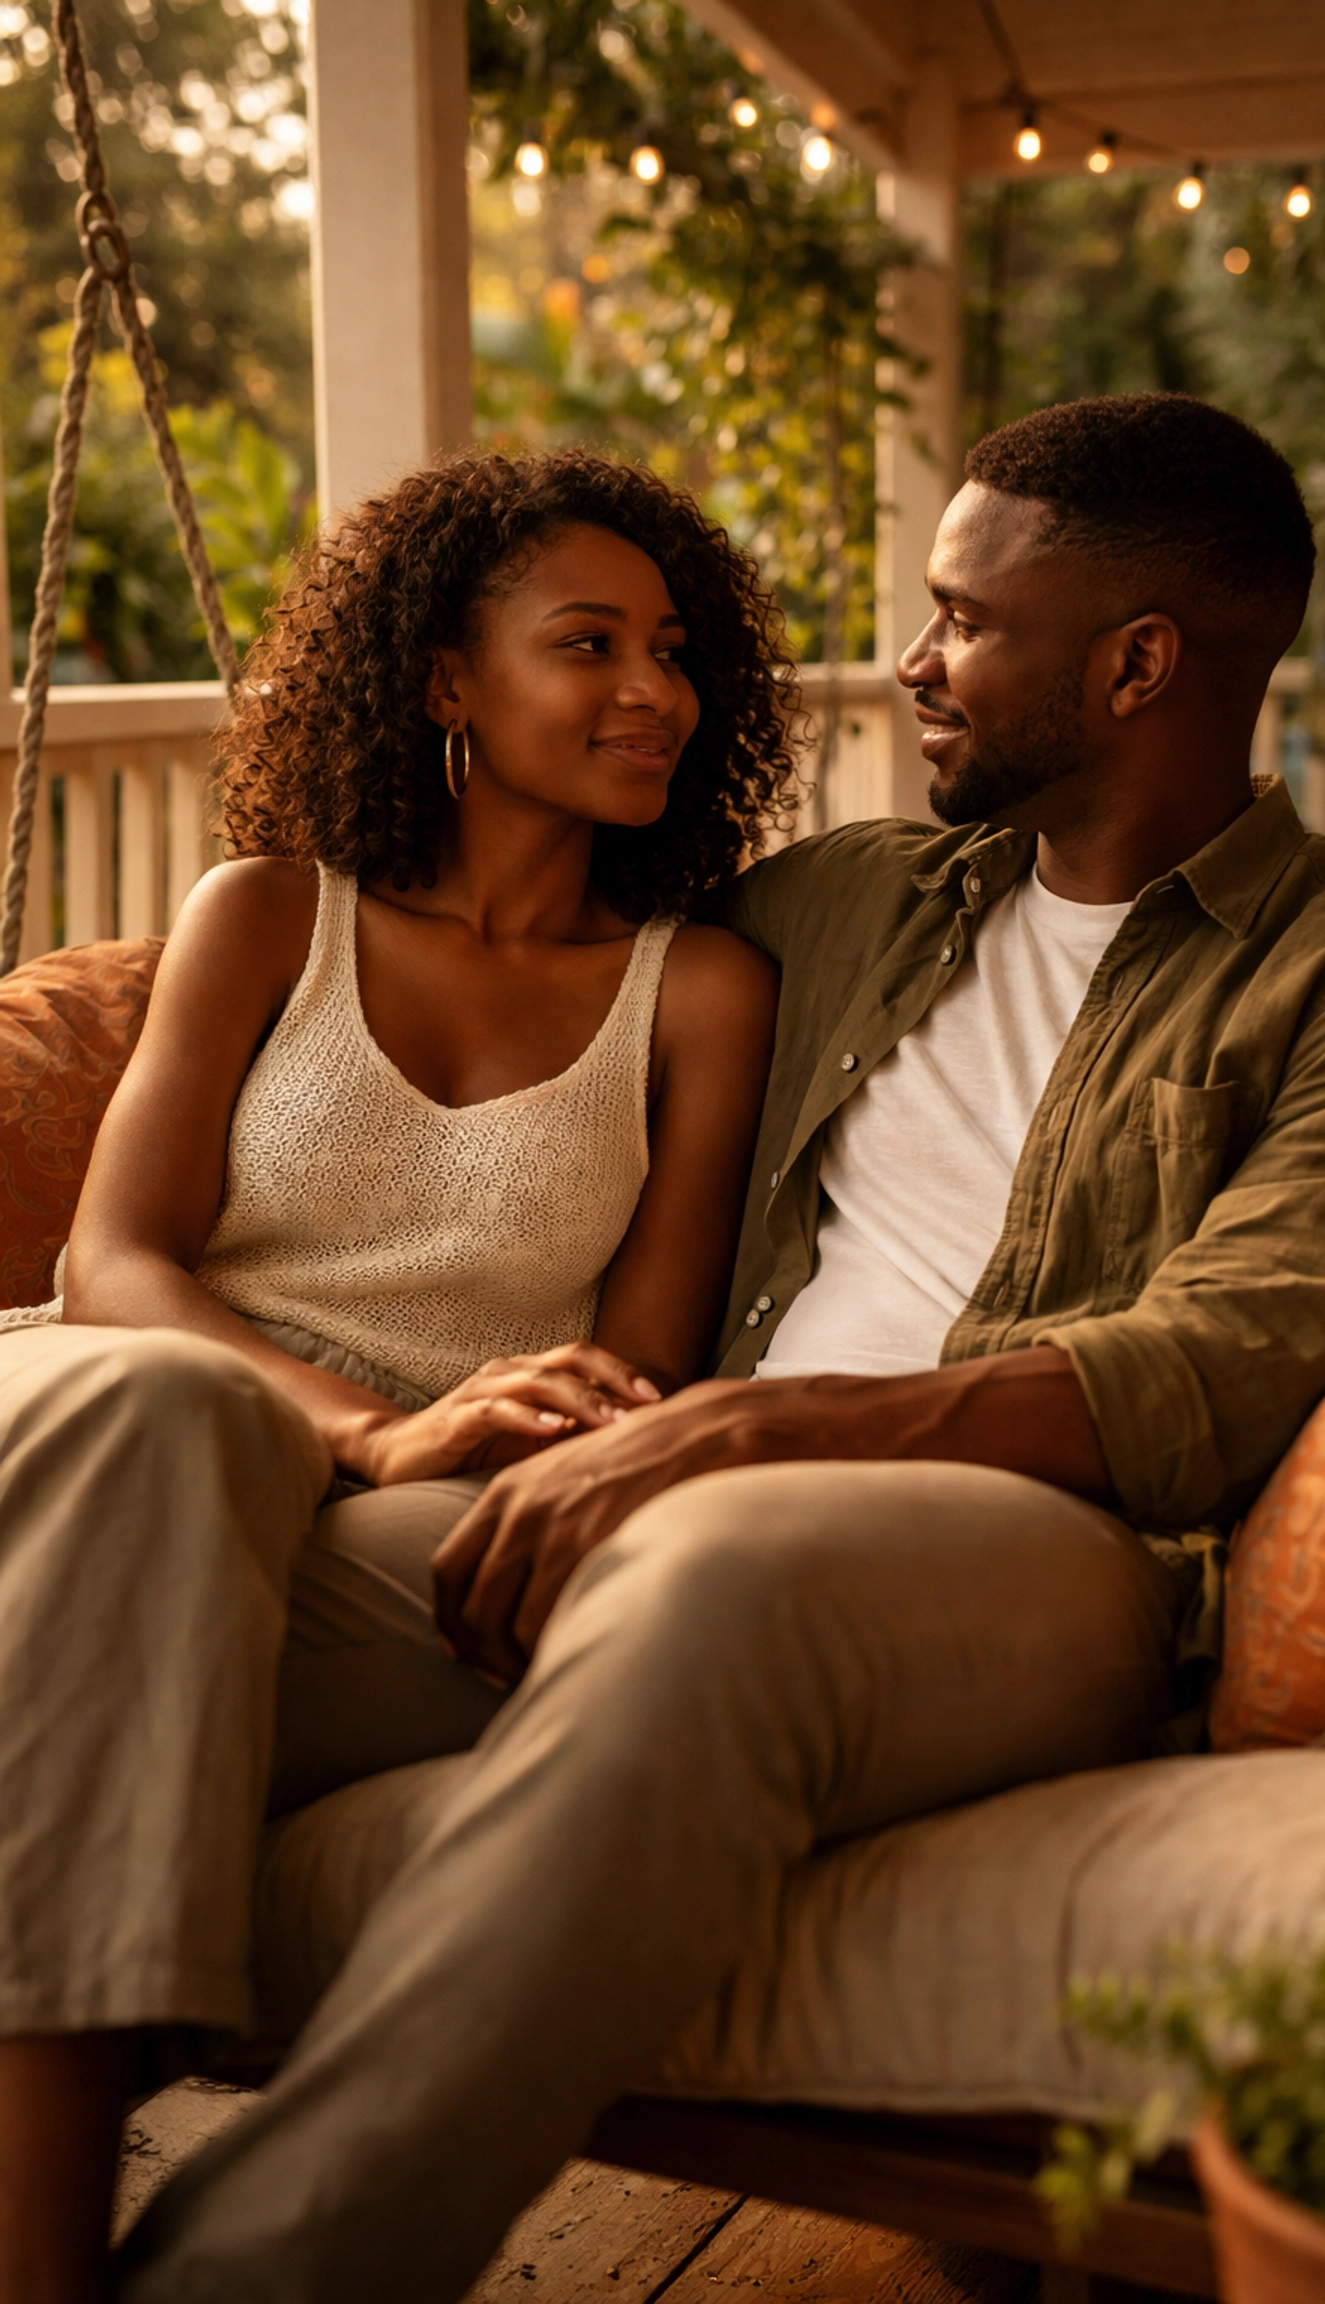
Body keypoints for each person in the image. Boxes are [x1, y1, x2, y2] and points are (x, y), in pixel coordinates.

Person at [10, 394, 1325, 2304]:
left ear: (1139, 662)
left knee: (719, 1571)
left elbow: (1212, 1362)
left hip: (1031, 1537)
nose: (914, 663)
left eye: (964, 619)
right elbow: (508, 949)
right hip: (642, 1479)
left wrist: (747, 1433)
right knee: (127, 1590)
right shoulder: (849, 904)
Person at [0, 447, 792, 2304]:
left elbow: (642, 1368)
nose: (651, 692)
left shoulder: (700, 992)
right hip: (113, 1403)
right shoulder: (272, 912)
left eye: (674, 652)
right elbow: (108, 1265)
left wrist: (446, 1453)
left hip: (388, 1531)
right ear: (445, 679)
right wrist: (370, 1425)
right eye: (587, 644)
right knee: (177, 1418)